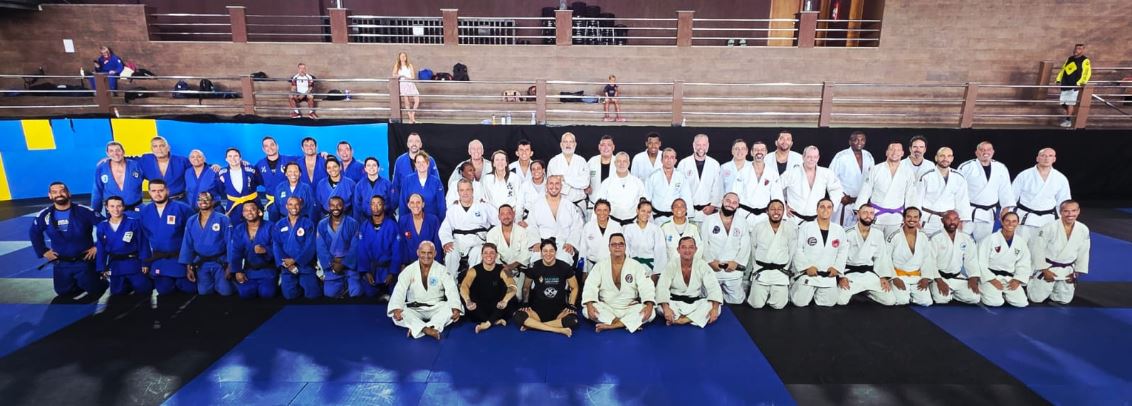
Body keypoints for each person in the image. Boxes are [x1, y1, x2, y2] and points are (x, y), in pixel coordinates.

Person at [31, 182, 106, 297]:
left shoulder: (84, 211)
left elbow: (106, 227)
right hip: (61, 262)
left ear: (69, 193)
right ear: (50, 196)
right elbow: (34, 233)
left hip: (84, 261)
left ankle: (100, 278)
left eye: (62, 191)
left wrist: (97, 247)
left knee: (95, 290)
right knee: (63, 292)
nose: (59, 194)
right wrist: (43, 251)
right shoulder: (44, 215)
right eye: (54, 192)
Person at [582, 234, 657, 333]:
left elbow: (646, 286)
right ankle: (626, 323)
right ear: (609, 247)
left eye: (621, 244)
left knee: (651, 313)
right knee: (587, 310)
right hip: (607, 307)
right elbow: (590, 285)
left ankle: (613, 325)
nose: (617, 247)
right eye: (614, 244)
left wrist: (649, 304)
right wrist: (590, 304)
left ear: (625, 247)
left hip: (629, 307)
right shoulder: (600, 266)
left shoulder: (635, 265)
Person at [388, 241, 462, 340]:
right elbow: (399, 289)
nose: (426, 256)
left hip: (436, 307)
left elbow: (451, 289)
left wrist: (455, 307)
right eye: (423, 252)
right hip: (415, 307)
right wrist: (396, 308)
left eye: (429, 253)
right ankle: (429, 329)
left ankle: (418, 328)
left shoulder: (442, 270)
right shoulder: (409, 270)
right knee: (397, 313)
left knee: (451, 310)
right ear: (418, 252)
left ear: (435, 253)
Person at [139, 179, 196, 295]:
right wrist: (145, 262)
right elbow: (143, 239)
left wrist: (192, 261)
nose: (157, 194)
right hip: (159, 259)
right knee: (164, 290)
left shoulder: (183, 208)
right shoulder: (145, 211)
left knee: (190, 289)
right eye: (154, 191)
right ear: (149, 192)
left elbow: (194, 235)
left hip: (181, 259)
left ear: (167, 191)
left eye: (161, 190)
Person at [1028, 200, 1090, 304]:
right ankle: (1031, 281)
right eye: (1066, 211)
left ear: (1078, 211)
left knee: (1064, 300)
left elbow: (1084, 251)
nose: (1070, 214)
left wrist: (1077, 272)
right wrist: (1044, 270)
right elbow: (1037, 249)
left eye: (1073, 211)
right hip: (1048, 267)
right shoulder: (1049, 227)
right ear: (1060, 212)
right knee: (1036, 298)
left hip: (1067, 269)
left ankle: (1055, 288)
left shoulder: (1083, 229)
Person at [515, 240, 580, 337]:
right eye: (545, 251)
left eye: (551, 251)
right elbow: (526, 288)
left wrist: (571, 305)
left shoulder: (564, 266)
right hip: (537, 311)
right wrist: (525, 302)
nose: (548, 254)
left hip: (559, 311)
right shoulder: (534, 266)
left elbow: (575, 287)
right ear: (541, 253)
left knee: (573, 320)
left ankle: (534, 326)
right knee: (518, 316)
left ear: (555, 252)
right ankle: (559, 330)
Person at [790, 198, 847, 307]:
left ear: (832, 210)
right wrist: (806, 267)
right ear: (817, 210)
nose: (825, 210)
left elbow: (843, 251)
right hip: (808, 274)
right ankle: (795, 286)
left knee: (830, 303)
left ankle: (814, 293)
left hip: (828, 276)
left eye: (829, 207)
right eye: (822, 207)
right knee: (799, 302)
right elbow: (797, 249)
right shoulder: (805, 227)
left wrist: (837, 268)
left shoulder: (839, 230)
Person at [835, 205, 894, 306]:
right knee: (840, 301)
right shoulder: (846, 232)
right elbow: (838, 256)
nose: (868, 216)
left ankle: (866, 291)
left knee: (890, 301)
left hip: (869, 274)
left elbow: (881, 257)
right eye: (865, 212)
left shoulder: (878, 234)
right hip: (850, 274)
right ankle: (858, 289)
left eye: (871, 213)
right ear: (858, 215)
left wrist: (883, 277)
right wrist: (840, 277)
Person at [656, 237, 723, 327]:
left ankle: (682, 320)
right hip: (675, 303)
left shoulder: (702, 265)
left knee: (716, 308)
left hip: (695, 303)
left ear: (695, 249)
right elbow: (662, 287)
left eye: (691, 247)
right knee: (660, 307)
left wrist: (714, 308)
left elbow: (713, 286)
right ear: (678, 249)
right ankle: (694, 319)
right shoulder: (671, 265)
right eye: (683, 247)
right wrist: (666, 307)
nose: (687, 250)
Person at [855, 140, 917, 237]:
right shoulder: (876, 169)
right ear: (886, 152)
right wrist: (858, 210)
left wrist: (911, 215)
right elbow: (865, 191)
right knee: (874, 245)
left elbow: (911, 195)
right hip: (876, 216)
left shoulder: (908, 172)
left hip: (896, 217)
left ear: (902, 153)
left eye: (898, 150)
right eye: (892, 149)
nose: (895, 152)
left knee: (892, 246)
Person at [957, 141, 1015, 242]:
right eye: (982, 150)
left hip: (988, 214)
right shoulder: (966, 167)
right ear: (976, 152)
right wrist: (958, 215)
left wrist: (1006, 209)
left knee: (984, 243)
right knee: (961, 242)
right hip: (968, 212)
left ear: (993, 152)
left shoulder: (1001, 168)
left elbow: (1006, 190)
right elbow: (957, 191)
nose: (985, 152)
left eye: (988, 150)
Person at [876, 207, 936, 306]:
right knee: (901, 301)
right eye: (909, 217)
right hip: (899, 276)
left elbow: (927, 258)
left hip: (917, 276)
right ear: (903, 218)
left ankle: (911, 294)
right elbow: (886, 258)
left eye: (915, 217)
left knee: (927, 302)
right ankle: (906, 294)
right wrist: (894, 278)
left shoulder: (923, 237)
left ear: (919, 219)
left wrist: (925, 277)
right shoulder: (893, 236)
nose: (912, 220)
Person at [439, 179, 497, 278]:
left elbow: (498, 221)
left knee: (478, 253)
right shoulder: (452, 209)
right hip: (459, 241)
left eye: (467, 190)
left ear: (472, 190)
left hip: (478, 241)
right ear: (458, 192)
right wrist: (446, 241)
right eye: (462, 190)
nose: (465, 193)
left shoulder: (483, 206)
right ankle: (451, 283)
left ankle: (473, 283)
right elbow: (445, 228)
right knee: (450, 253)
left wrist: (492, 240)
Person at [699, 192, 750, 304]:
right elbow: (703, 244)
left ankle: (722, 295)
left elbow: (746, 246)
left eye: (734, 203)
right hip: (713, 268)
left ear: (738, 206)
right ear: (722, 201)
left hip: (732, 269)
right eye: (728, 201)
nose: (730, 204)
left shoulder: (742, 222)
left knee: (737, 301)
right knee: (707, 300)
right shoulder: (709, 220)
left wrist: (736, 263)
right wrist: (710, 261)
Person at [746, 199, 797, 309]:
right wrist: (756, 268)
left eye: (779, 209)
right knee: (756, 305)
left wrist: (786, 269)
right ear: (767, 211)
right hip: (761, 271)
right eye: (772, 209)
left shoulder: (789, 228)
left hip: (780, 273)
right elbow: (753, 249)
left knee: (779, 305)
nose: (776, 212)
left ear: (783, 212)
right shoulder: (758, 227)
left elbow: (792, 251)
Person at [94, 196, 149, 296]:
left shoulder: (134, 223)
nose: (116, 209)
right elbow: (101, 248)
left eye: (119, 206)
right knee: (117, 292)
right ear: (106, 207)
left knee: (143, 289)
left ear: (123, 207)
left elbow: (143, 244)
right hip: (115, 264)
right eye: (112, 206)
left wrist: (145, 263)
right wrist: (102, 267)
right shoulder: (102, 226)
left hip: (133, 262)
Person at [179, 192, 232, 296]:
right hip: (201, 263)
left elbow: (230, 243)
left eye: (206, 199)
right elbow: (187, 244)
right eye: (200, 199)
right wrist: (188, 266)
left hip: (220, 262)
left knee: (226, 292)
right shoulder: (191, 220)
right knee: (204, 292)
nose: (203, 202)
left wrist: (231, 266)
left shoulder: (223, 219)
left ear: (213, 202)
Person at [1012, 148, 1071, 241]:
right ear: (1037, 158)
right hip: (1025, 219)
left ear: (1054, 159)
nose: (1046, 158)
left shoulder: (1060, 178)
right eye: (1043, 156)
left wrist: (1062, 220)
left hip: (1048, 220)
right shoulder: (1024, 175)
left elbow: (1064, 202)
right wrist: (1009, 215)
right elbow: (1012, 197)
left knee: (1041, 251)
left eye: (1050, 156)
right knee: (1019, 249)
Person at [524, 176, 583, 265]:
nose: (554, 186)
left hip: (563, 245)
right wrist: (536, 242)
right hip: (542, 244)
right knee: (536, 260)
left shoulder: (569, 205)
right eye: (551, 183)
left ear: (561, 186)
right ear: (546, 186)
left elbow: (577, 226)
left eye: (557, 183)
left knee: (565, 260)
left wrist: (571, 243)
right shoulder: (537, 205)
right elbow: (532, 226)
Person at [460, 243, 518, 333]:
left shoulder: (504, 270)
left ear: (496, 255)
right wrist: (468, 301)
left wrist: (505, 300)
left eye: (492, 253)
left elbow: (512, 286)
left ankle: (487, 323)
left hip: (497, 305)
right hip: (480, 306)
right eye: (485, 253)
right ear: (482, 255)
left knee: (509, 296)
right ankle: (494, 321)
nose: (488, 255)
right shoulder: (473, 270)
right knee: (465, 297)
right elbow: (464, 286)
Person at [977, 212, 1030, 308]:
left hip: (1009, 279)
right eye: (1007, 221)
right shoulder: (990, 239)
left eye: (1014, 221)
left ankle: (1001, 293)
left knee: (1021, 303)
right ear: (1002, 222)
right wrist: (992, 280)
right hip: (991, 277)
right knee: (995, 302)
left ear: (1018, 223)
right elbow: (981, 262)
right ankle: (983, 288)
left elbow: (1024, 263)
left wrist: (1017, 280)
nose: (1010, 224)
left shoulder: (1020, 242)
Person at [929, 210, 982, 305]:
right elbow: (930, 262)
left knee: (975, 298)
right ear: (942, 221)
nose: (952, 222)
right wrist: (939, 281)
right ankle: (940, 290)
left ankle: (953, 294)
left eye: (955, 219)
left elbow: (971, 260)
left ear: (959, 221)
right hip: (939, 277)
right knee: (941, 300)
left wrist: (973, 278)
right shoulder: (935, 238)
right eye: (948, 219)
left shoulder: (966, 238)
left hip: (957, 277)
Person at [916, 147, 971, 236]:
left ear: (952, 159)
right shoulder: (926, 175)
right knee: (928, 247)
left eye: (949, 156)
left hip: (950, 220)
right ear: (936, 158)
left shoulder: (959, 177)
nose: (945, 159)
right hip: (929, 219)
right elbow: (916, 200)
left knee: (948, 247)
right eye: (942, 156)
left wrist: (961, 221)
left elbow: (963, 201)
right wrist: (916, 220)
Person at [781, 146, 843, 225]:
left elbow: (836, 189)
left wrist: (830, 207)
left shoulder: (826, 173)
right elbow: (776, 188)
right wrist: (783, 205)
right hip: (794, 219)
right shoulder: (791, 173)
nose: (812, 160)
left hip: (817, 219)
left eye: (815, 157)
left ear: (818, 158)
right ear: (803, 157)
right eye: (809, 157)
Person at [273, 196, 320, 299]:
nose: (294, 207)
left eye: (296, 204)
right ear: (286, 206)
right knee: (289, 296)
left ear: (301, 206)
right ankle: (296, 285)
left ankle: (311, 281)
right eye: (290, 204)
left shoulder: (308, 223)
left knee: (313, 295)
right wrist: (286, 263)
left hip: (304, 264)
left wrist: (295, 260)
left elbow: (310, 245)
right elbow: (276, 245)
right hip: (287, 266)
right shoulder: (279, 224)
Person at [355, 195, 402, 298]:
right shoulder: (364, 226)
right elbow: (362, 252)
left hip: (388, 268)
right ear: (370, 206)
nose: (375, 207)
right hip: (372, 269)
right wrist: (366, 272)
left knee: (394, 294)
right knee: (370, 294)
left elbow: (397, 252)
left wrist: (392, 272)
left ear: (383, 206)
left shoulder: (392, 226)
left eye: (379, 204)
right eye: (373, 204)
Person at [229, 202, 278, 299]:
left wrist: (266, 250)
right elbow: (235, 252)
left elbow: (279, 249)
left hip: (268, 270)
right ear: (243, 214)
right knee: (245, 294)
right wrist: (237, 271)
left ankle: (276, 281)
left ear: (259, 212)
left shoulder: (271, 227)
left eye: (252, 209)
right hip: (249, 270)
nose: (249, 212)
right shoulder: (239, 229)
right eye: (246, 210)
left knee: (267, 294)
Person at [486, 204, 534, 300]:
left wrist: (512, 266)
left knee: (517, 295)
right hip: (499, 269)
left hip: (518, 268)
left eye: (508, 213)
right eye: (502, 214)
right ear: (499, 217)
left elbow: (526, 253)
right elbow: (491, 254)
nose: (506, 216)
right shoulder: (492, 233)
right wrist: (504, 268)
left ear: (513, 215)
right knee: (496, 293)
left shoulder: (523, 232)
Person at [316, 196, 359, 298]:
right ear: (328, 207)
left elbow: (355, 247)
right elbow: (320, 247)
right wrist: (331, 263)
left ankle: (348, 285)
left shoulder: (353, 223)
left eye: (339, 205)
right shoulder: (322, 224)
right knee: (330, 294)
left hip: (349, 265)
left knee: (356, 292)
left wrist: (344, 263)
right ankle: (341, 286)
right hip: (332, 265)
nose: (335, 208)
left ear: (343, 207)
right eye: (332, 205)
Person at [829, 131, 874, 227]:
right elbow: (831, 178)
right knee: (839, 230)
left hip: (862, 201)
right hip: (844, 201)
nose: (859, 142)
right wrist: (840, 196)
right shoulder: (841, 156)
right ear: (850, 142)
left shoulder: (868, 156)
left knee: (857, 231)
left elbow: (872, 179)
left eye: (862, 140)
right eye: (856, 140)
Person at [732, 140, 782, 226]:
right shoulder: (742, 172)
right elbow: (735, 195)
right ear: (751, 153)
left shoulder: (773, 173)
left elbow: (777, 197)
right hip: (744, 215)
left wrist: (779, 217)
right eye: (756, 150)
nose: (759, 152)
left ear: (766, 152)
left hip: (764, 216)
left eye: (762, 150)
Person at [678, 134, 723, 223]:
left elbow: (717, 188)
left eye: (704, 145)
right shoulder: (683, 164)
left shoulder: (714, 164)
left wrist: (713, 206)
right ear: (693, 145)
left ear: (708, 146)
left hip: (708, 212)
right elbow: (679, 188)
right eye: (698, 145)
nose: (701, 147)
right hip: (688, 212)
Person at [92, 141, 144, 217]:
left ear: (123, 152)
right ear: (107, 153)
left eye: (118, 150)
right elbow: (97, 191)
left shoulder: (136, 165)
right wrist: (95, 212)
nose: (115, 153)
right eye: (111, 151)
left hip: (136, 211)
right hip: (113, 213)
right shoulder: (101, 167)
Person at [595, 152, 645, 225]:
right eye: (619, 161)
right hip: (612, 222)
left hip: (633, 223)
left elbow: (644, 205)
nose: (621, 164)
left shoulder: (637, 182)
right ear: (615, 163)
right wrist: (595, 223)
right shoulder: (607, 182)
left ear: (628, 163)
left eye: (624, 161)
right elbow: (598, 204)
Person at [624, 200, 668, 281]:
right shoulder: (629, 228)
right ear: (637, 211)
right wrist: (626, 268)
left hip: (650, 268)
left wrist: (656, 273)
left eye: (648, 212)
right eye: (643, 211)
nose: (646, 214)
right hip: (632, 267)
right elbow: (626, 250)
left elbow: (660, 252)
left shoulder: (656, 229)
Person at [547, 132, 590, 214]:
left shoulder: (581, 161)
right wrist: (576, 182)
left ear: (575, 144)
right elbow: (552, 185)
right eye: (565, 142)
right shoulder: (554, 161)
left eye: (571, 142)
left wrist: (564, 178)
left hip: (579, 204)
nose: (568, 144)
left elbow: (585, 183)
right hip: (560, 204)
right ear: (561, 144)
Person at [645, 148, 691, 224]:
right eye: (666, 157)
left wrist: (687, 217)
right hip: (657, 218)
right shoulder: (652, 176)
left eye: (672, 157)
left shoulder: (681, 177)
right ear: (661, 160)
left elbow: (686, 198)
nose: (669, 160)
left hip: (676, 217)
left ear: (675, 161)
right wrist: (649, 219)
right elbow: (647, 200)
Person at [139, 136, 192, 202]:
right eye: (155, 146)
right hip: (156, 203)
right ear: (152, 149)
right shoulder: (145, 160)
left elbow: (199, 168)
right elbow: (128, 161)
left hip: (179, 201)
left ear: (168, 147)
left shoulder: (182, 161)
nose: (159, 149)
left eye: (162, 146)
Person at [398, 193, 443, 270]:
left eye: (418, 202)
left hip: (430, 264)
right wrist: (403, 264)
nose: (415, 205)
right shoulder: (403, 220)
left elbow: (437, 244)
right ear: (408, 205)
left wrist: (437, 265)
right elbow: (401, 245)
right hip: (410, 265)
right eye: (412, 203)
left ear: (423, 204)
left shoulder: (433, 220)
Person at [397, 152, 447, 221]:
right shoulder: (407, 181)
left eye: (423, 162)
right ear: (415, 164)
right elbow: (403, 204)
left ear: (428, 164)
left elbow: (441, 205)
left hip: (432, 223)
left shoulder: (436, 182)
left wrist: (441, 223)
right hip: (412, 222)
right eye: (418, 162)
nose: (421, 165)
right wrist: (403, 223)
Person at [218, 148, 261, 225]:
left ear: (240, 158)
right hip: (233, 205)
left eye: (236, 156)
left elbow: (258, 181)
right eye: (230, 156)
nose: (233, 158)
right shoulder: (222, 173)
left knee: (256, 226)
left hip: (252, 203)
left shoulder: (251, 170)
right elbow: (221, 188)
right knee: (235, 229)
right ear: (226, 159)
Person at [581, 199, 622, 276]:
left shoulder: (617, 226)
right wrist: (584, 270)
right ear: (595, 211)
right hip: (592, 267)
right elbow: (583, 249)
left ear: (609, 211)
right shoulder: (588, 226)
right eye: (599, 210)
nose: (602, 213)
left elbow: (623, 249)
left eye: (605, 210)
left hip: (612, 267)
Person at [1056, 44, 1091, 127]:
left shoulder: (1085, 60)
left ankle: (1068, 121)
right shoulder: (1070, 58)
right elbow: (1063, 69)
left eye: (1079, 49)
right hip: (1065, 84)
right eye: (1075, 49)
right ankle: (1074, 114)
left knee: (1070, 103)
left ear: (1083, 50)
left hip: (1075, 85)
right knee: (1063, 102)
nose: (1076, 50)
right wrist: (1058, 79)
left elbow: (1087, 73)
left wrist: (1080, 83)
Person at [482, 150, 524, 215]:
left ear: (506, 163)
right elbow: (485, 199)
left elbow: (520, 200)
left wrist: (518, 216)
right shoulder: (487, 179)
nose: (500, 162)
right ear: (493, 164)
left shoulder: (515, 178)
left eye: (502, 159)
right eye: (497, 160)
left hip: (511, 214)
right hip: (493, 215)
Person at [353, 157, 395, 221]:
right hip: (365, 220)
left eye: (374, 165)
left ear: (378, 168)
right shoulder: (359, 185)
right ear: (365, 169)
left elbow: (392, 203)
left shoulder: (387, 184)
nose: (371, 168)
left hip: (384, 219)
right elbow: (357, 206)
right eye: (368, 165)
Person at [587, 136, 617, 210]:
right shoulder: (592, 161)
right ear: (599, 147)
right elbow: (584, 178)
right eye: (603, 145)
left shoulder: (619, 162)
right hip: (594, 204)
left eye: (609, 145)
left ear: (613, 147)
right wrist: (586, 186)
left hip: (614, 206)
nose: (605, 147)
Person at [393, 52, 421, 123]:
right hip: (403, 84)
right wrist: (399, 76)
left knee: (417, 99)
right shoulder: (397, 65)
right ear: (399, 57)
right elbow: (393, 75)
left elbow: (413, 76)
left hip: (410, 83)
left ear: (406, 57)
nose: (403, 57)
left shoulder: (409, 65)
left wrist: (406, 77)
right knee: (406, 101)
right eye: (401, 56)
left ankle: (412, 115)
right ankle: (411, 118)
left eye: (404, 56)